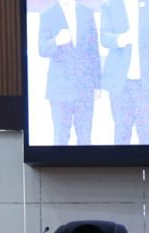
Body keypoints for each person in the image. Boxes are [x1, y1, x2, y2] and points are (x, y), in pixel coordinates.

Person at [100, 0, 149, 144]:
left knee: (147, 132)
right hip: (120, 83)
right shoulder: (110, 5)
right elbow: (104, 37)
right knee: (121, 133)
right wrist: (121, 39)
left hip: (145, 82)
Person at [38, 0, 101, 146]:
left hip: (85, 89)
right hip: (60, 91)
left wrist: (97, 85)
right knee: (60, 140)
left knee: (85, 140)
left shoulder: (86, 12)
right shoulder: (47, 14)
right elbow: (42, 48)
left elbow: (94, 50)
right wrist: (56, 41)